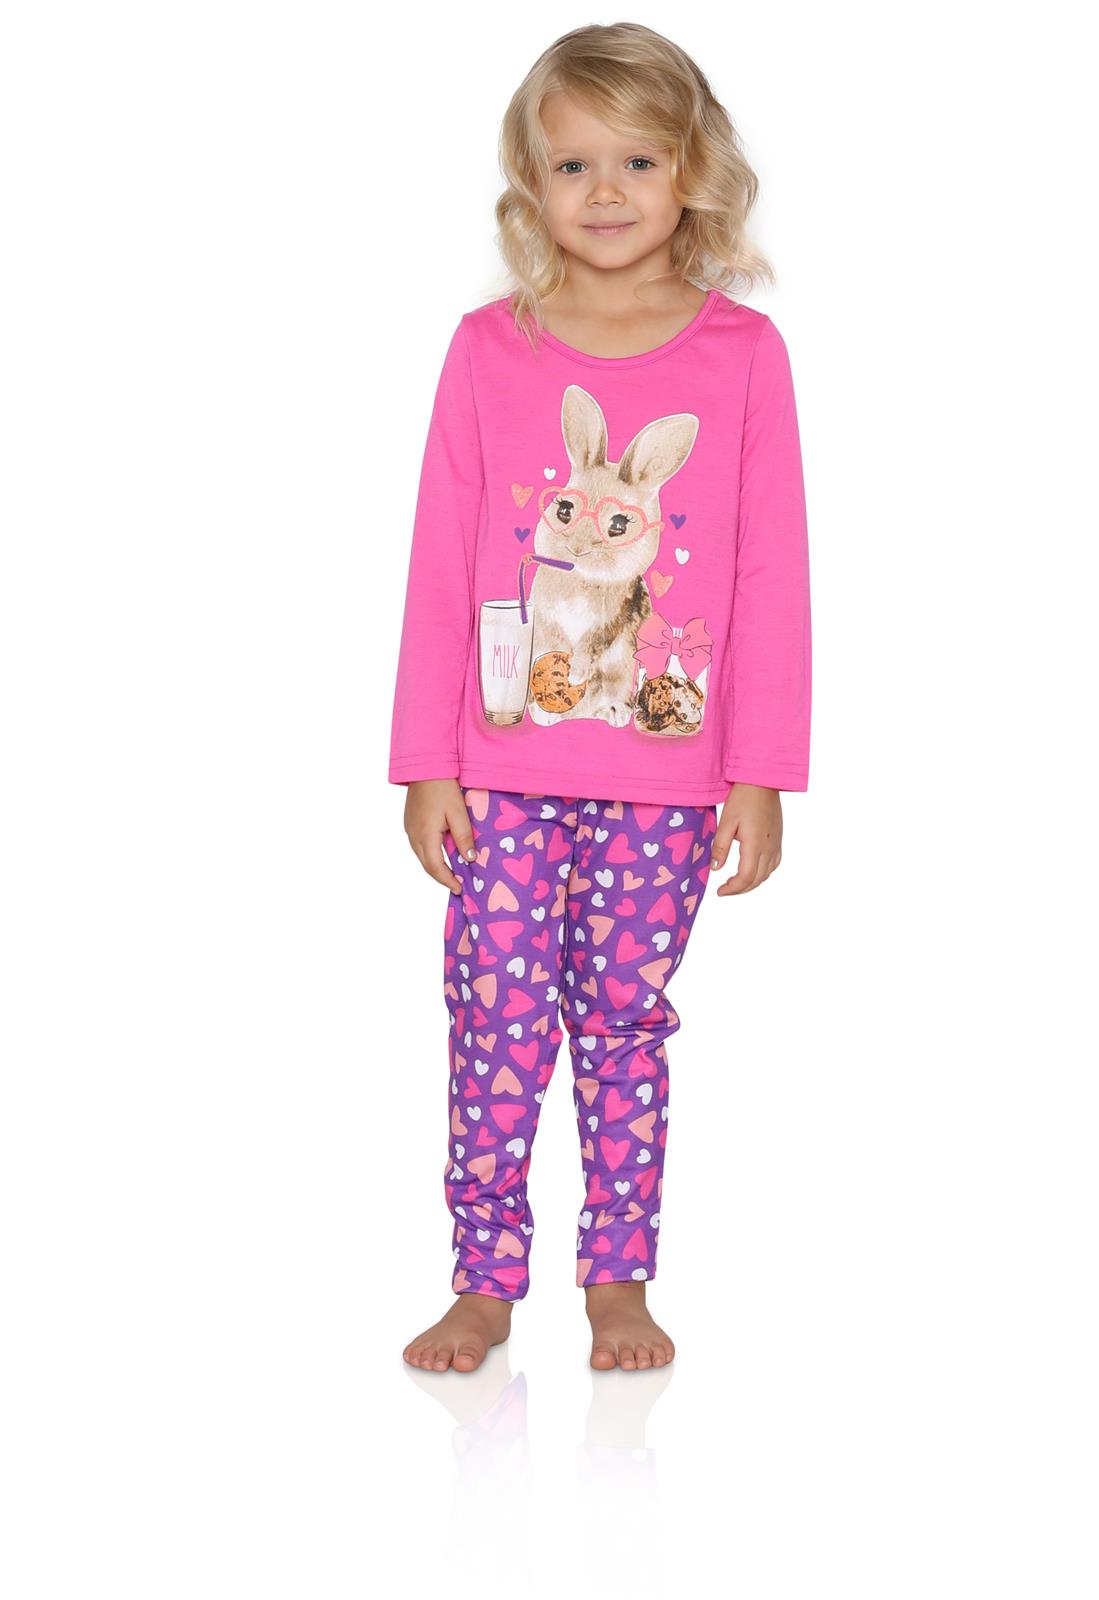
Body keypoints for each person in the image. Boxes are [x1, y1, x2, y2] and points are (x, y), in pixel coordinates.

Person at [389, 23, 812, 1374]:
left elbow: (770, 569)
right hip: (500, 771)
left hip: (670, 784)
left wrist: (761, 769)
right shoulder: (487, 349)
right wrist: (426, 757)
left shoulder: (743, 355)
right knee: (494, 1024)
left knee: (625, 1026)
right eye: (574, 163)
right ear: (531, 182)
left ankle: (618, 1282)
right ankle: (484, 1281)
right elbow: (443, 559)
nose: (608, 189)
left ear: (694, 171)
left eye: (639, 159)